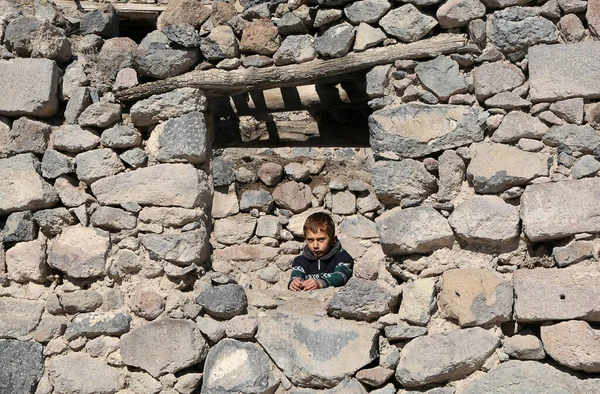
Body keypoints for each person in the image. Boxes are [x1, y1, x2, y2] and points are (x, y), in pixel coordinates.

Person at [288, 212, 354, 291]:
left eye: (321, 239)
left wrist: (320, 283)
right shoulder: (300, 261)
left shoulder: (343, 257)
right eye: (310, 240)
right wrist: (294, 283)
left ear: (333, 240)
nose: (315, 245)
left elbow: (341, 276)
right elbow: (296, 275)